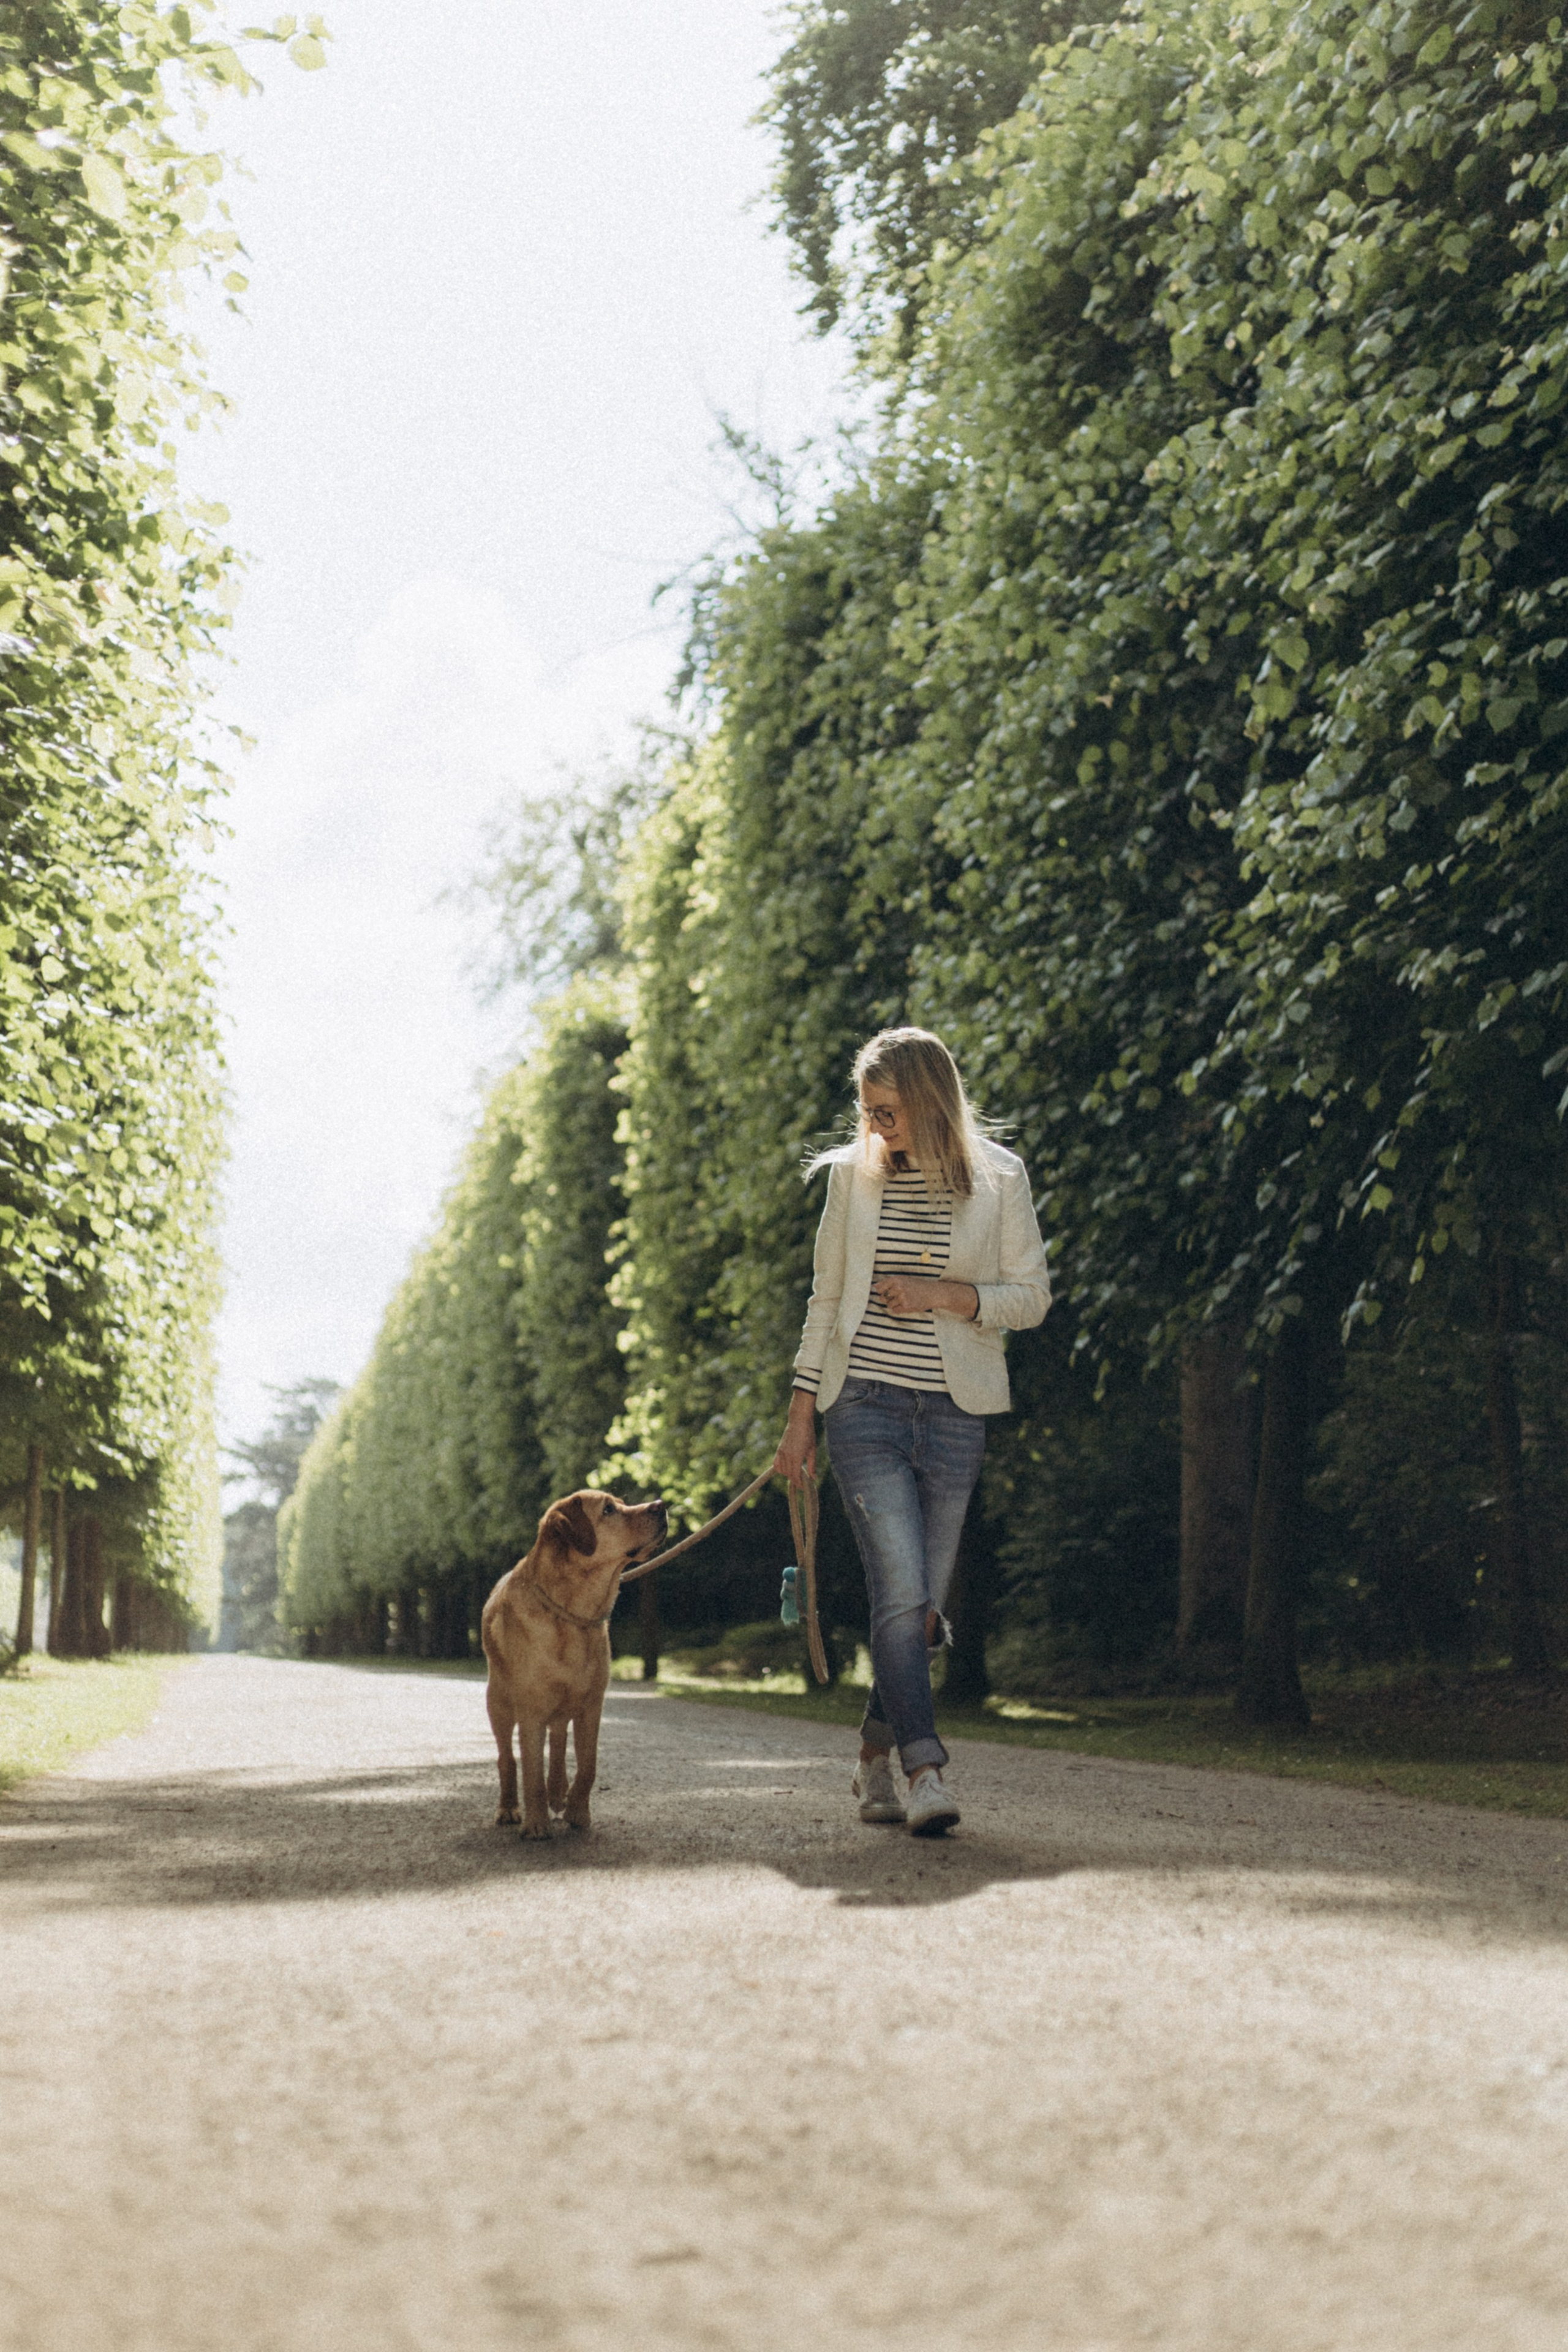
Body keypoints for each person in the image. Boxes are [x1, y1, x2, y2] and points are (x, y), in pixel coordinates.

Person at [774, 1027, 1050, 1836]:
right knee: (899, 1585)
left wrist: (946, 1296)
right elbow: (826, 1300)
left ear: (929, 1098)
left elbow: (1028, 1298)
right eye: (866, 1114)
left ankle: (870, 1753)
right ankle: (923, 1767)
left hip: (957, 1411)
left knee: (917, 1608)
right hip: (863, 1404)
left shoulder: (1000, 1178)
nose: (874, 1130)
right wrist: (800, 1416)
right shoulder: (851, 1184)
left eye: (887, 1112)